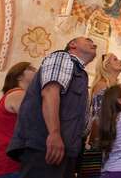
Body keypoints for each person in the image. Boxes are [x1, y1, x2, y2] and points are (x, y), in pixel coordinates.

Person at [7, 37, 97, 178]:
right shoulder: (63, 58)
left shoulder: (80, 73)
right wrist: (54, 133)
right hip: (47, 147)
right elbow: (50, 92)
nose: (94, 44)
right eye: (88, 40)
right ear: (72, 44)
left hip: (64, 151)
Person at [0, 62, 36, 178]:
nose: (36, 70)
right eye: (31, 68)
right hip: (12, 164)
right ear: (19, 76)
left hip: (7, 162)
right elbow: (34, 123)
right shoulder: (18, 94)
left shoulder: (12, 95)